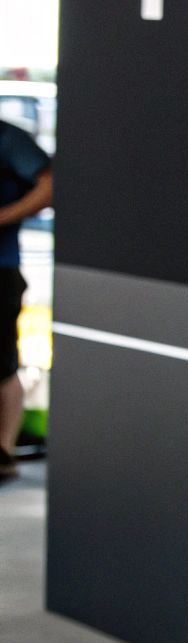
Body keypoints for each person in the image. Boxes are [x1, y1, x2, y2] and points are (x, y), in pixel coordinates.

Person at [0, 119, 51, 483]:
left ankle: (3, 451)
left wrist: (3, 217)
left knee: (1, 363)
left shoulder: (8, 138)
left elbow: (50, 186)